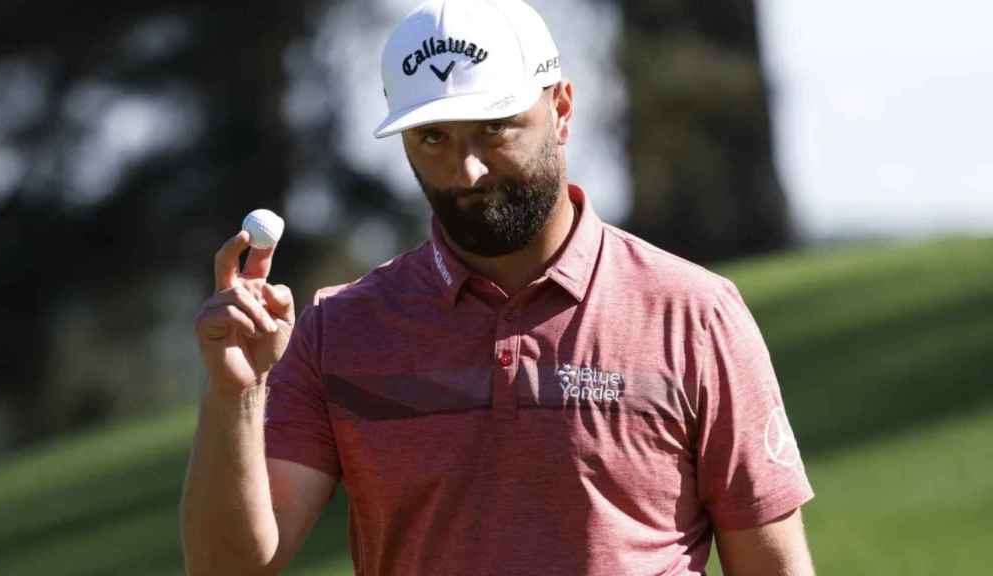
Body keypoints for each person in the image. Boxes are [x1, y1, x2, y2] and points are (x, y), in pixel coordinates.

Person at [181, 0, 816, 574]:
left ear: (560, 109)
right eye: (434, 137)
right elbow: (228, 569)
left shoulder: (694, 314)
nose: (468, 169)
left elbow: (773, 566)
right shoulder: (339, 329)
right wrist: (235, 394)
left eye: (494, 127)